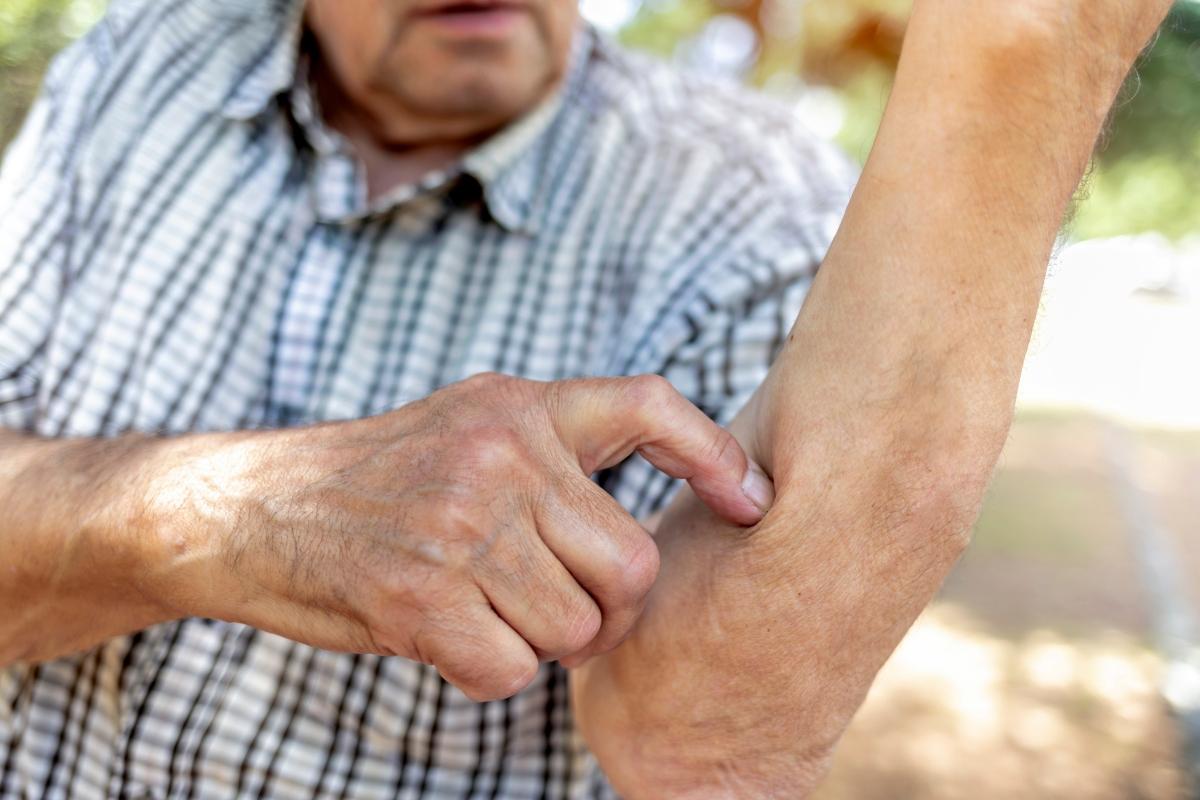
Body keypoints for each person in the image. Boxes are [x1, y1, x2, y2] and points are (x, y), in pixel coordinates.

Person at [0, 0, 1171, 798]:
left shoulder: (741, 195)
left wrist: (1027, 54)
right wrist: (239, 515)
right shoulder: (140, 64)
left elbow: (701, 740)